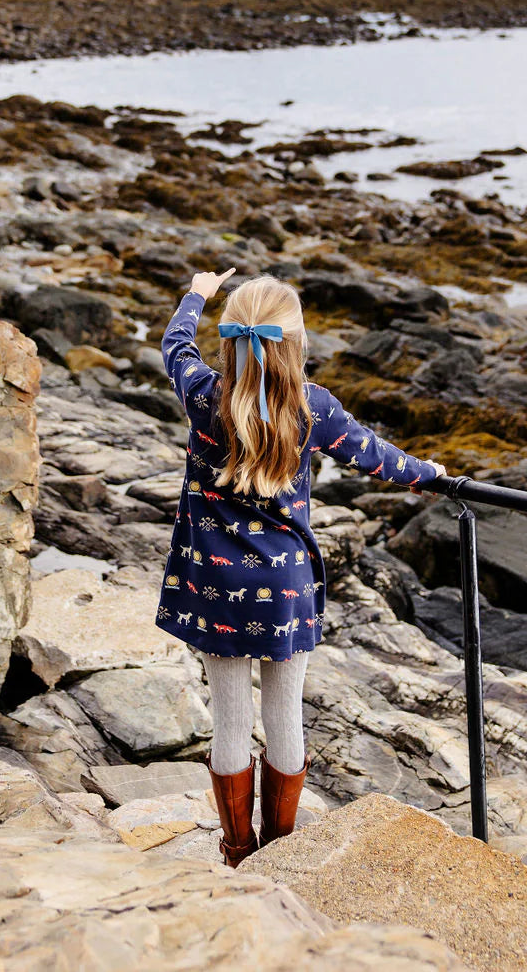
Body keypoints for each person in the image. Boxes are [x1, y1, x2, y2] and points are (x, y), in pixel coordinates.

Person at [156, 266, 447, 867]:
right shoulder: (313, 409)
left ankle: (238, 851)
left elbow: (174, 344)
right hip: (282, 588)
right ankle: (281, 852)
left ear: (231, 343)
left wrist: (196, 293)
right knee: (285, 720)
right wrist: (432, 477)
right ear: (295, 345)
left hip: (214, 581)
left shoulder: (203, 395)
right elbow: (379, 457)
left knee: (231, 723)